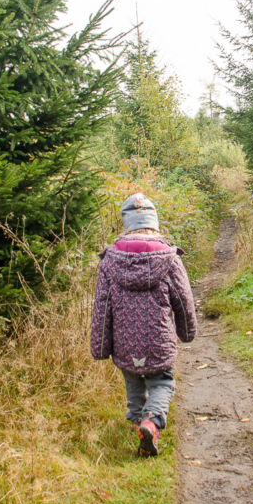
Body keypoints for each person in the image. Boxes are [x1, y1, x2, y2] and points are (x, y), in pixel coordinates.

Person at [90, 193, 197, 456]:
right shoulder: (169, 257)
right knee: (162, 384)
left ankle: (140, 424)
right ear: (155, 223)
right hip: (158, 339)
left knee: (134, 382)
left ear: (127, 223)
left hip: (125, 341)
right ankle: (151, 422)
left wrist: (101, 346)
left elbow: (101, 307)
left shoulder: (110, 260)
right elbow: (183, 300)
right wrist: (187, 331)